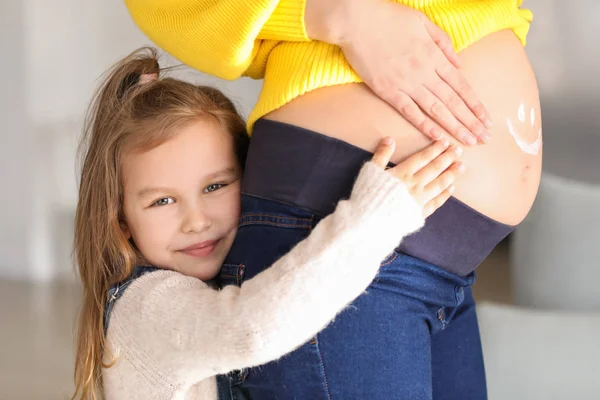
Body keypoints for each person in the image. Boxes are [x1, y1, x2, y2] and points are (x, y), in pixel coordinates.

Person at [125, 0, 542, 398]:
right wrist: (340, 13)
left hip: (440, 264)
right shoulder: (144, 310)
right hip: (346, 230)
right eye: (162, 201)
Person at [71, 48, 464, 399]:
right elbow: (249, 327)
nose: (196, 221)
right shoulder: (147, 307)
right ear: (121, 221)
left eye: (215, 186)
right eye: (163, 200)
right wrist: (373, 220)